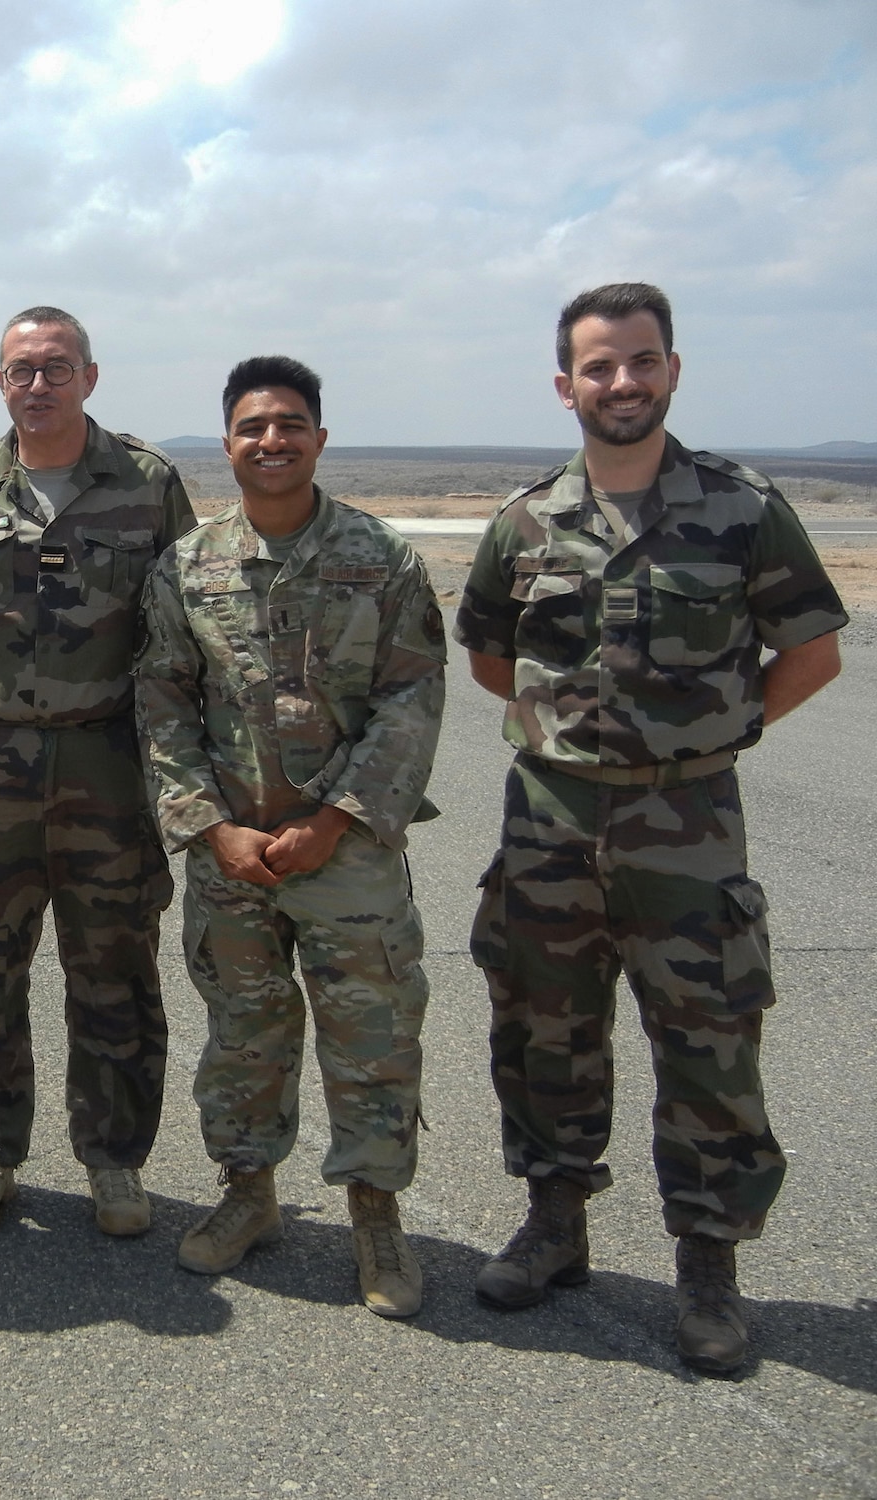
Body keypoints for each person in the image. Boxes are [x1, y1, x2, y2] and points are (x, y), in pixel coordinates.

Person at [456, 282, 845, 1373]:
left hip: (688, 826)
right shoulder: (522, 521)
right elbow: (490, 657)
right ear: (563, 385)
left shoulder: (738, 508)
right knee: (542, 1031)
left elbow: (810, 652)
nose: (618, 382)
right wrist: (566, 735)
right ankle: (552, 1227)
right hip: (547, 818)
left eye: (639, 361)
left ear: (671, 369)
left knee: (708, 1045)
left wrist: (714, 731)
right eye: (597, 365)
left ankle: (709, 1272)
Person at [134, 357, 445, 1317]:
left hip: (347, 854)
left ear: (319, 436)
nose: (272, 441)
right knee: (243, 1034)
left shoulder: (380, 557)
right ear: (227, 443)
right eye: (253, 427)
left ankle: (376, 1218)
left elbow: (411, 697)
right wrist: (207, 827)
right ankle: (247, 1195)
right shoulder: (188, 567)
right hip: (233, 857)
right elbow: (161, 702)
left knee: (373, 1036)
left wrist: (337, 818)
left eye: (291, 424)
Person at [0, 306, 194, 1238]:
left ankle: (114, 1162)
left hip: (106, 762)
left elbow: (178, 622)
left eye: (57, 367)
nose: (40, 384)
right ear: (1, 383)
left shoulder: (147, 485)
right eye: (23, 370)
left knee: (113, 962)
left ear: (90, 376)